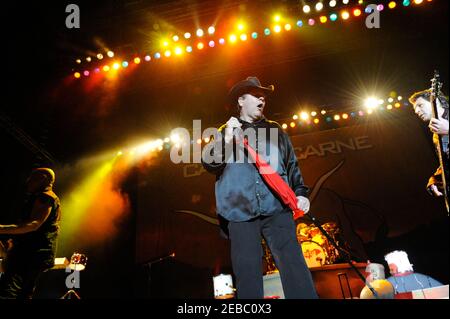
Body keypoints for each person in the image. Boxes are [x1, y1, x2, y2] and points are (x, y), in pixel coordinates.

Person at [202, 76, 318, 299]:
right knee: (248, 274)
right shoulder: (225, 130)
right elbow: (209, 163)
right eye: (256, 95)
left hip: (276, 207)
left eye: (263, 96)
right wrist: (226, 139)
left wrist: (301, 193)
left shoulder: (276, 130)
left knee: (294, 266)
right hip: (239, 212)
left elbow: (291, 164)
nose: (262, 99)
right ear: (241, 101)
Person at [0, 168, 61, 299]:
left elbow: (34, 224)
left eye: (32, 178)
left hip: (31, 254)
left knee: (8, 291)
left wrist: (1, 228)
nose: (28, 181)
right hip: (37, 255)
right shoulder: (45, 198)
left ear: (44, 179)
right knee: (24, 293)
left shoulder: (46, 197)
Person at [409, 90, 449, 202]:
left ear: (436, 102)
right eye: (415, 109)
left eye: (420, 105)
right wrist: (435, 180)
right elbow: (446, 162)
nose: (417, 111)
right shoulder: (436, 135)